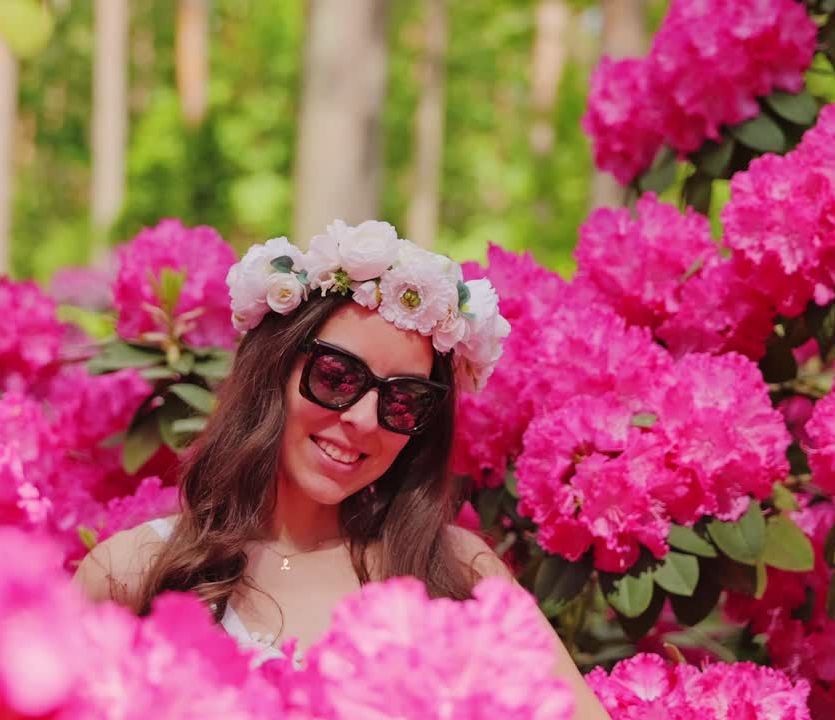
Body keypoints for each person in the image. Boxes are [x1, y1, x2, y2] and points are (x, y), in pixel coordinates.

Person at [74, 221, 610, 718]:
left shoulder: (458, 572)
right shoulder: (134, 573)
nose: (361, 419)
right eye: (336, 376)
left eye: (404, 401)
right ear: (274, 370)